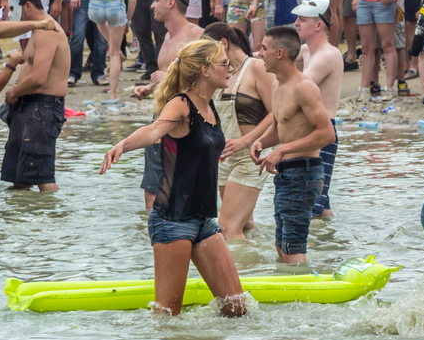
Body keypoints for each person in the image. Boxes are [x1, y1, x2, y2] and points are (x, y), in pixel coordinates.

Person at [101, 39, 247, 317]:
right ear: (205, 70)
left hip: (204, 220)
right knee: (167, 316)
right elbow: (154, 130)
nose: (230, 67)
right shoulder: (182, 104)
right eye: (224, 63)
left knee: (236, 308)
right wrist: (122, 145)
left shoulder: (209, 105)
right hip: (172, 220)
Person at [240, 26, 335, 263]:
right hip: (287, 174)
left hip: (304, 173)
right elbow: (280, 126)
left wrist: (282, 149)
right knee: (282, 248)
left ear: (279, 53)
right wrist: (261, 142)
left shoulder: (304, 87)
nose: (259, 53)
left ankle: (306, 296)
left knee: (293, 249)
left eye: (264, 48)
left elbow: (327, 134)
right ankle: (288, 295)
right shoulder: (276, 85)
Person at [202, 23, 274, 240]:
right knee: (243, 224)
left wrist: (246, 141)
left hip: (251, 154)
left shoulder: (256, 67)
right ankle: (258, 261)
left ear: (223, 44)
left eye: (207, 48)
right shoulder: (219, 73)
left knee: (227, 227)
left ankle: (236, 273)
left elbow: (277, 113)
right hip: (225, 157)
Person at [0, 0, 70, 191]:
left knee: (42, 177)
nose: (11, 15)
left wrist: (13, 92)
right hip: (29, 107)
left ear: (27, 6)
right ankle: (21, 221)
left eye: (13, 9)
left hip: (42, 109)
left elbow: (39, 78)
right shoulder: (37, 31)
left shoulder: (48, 31)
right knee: (19, 178)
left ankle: (51, 220)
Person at [293, 0, 343, 219]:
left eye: (302, 19)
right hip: (310, 129)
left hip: (322, 132)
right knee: (321, 207)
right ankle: (331, 245)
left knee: (310, 205)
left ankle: (315, 250)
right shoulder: (306, 50)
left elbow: (298, 89)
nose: (296, 23)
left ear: (318, 25)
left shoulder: (329, 55)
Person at [78, 0, 137, 99]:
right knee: (114, 56)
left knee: (100, 22)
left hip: (96, 4)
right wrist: (128, 21)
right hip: (116, 7)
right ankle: (113, 93)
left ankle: (116, 49)